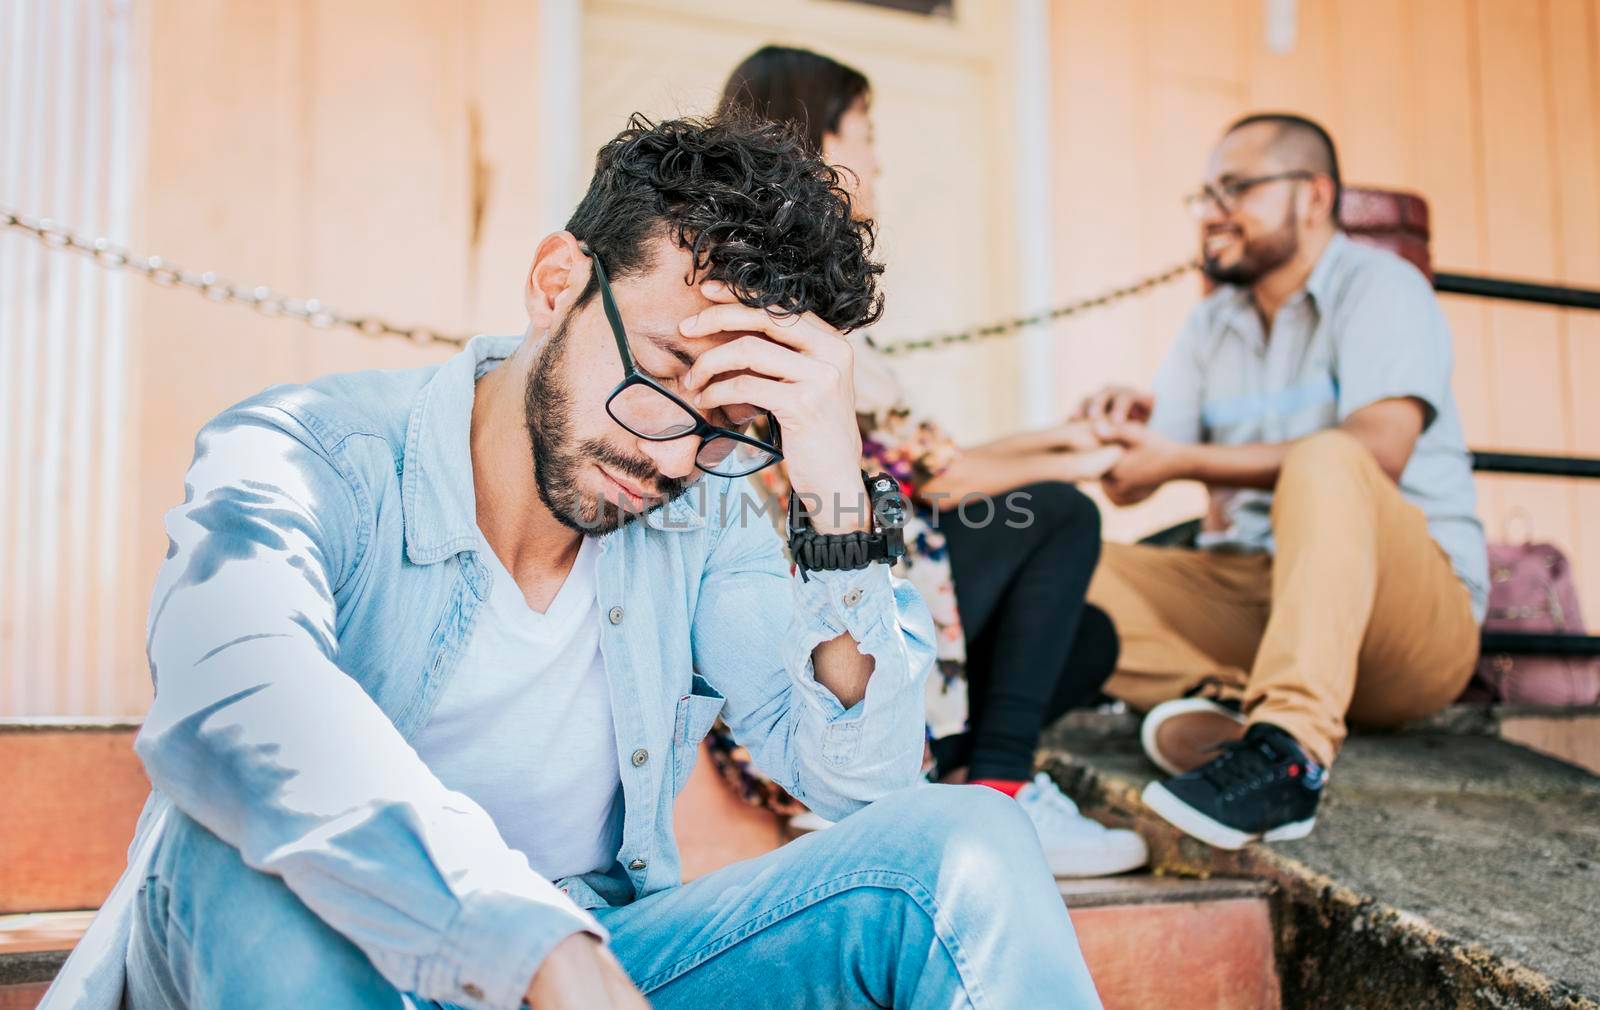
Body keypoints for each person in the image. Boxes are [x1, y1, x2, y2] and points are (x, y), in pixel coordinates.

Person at [42, 115, 1104, 1009]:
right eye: (666, 372)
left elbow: (860, 774)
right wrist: (533, 941)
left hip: (598, 957)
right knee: (230, 837)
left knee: (964, 839)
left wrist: (828, 473)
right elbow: (237, 705)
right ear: (557, 281)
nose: (674, 452)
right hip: (335, 945)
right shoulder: (304, 450)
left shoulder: (703, 516)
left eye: (731, 421)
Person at [717, 44, 1147, 878]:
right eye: (865, 133)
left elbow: (925, 454)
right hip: (807, 575)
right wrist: (1084, 465)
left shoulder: (777, 279)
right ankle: (1002, 792)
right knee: (1062, 517)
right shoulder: (787, 294)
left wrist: (1080, 439)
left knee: (1086, 640)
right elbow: (935, 479)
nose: (878, 159)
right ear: (816, 143)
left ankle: (956, 775)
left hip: (847, 548)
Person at [1078, 113, 1487, 850]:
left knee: (1328, 459)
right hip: (1261, 601)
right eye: (1204, 194)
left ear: (1314, 196)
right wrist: (1117, 426)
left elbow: (1380, 450)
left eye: (1235, 188)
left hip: (1409, 629)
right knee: (1065, 553)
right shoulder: (1212, 325)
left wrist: (1183, 460)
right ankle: (1226, 703)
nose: (1211, 212)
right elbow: (1135, 480)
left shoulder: (1382, 287)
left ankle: (1286, 758)